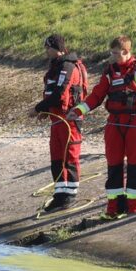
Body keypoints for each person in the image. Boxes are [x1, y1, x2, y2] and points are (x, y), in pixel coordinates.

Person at [68, 36, 136, 219]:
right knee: (114, 164)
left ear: (126, 51)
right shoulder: (110, 71)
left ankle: (133, 206)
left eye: (115, 53)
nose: (112, 57)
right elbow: (97, 95)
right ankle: (114, 206)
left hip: (135, 122)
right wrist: (79, 110)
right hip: (114, 123)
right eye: (111, 53)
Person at [31, 34, 89, 213]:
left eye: (48, 48)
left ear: (57, 48)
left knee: (70, 156)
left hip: (69, 119)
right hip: (56, 118)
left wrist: (38, 108)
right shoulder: (55, 67)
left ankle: (69, 195)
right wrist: (45, 111)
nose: (46, 51)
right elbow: (52, 95)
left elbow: (59, 93)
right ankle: (60, 194)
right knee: (56, 157)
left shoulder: (68, 66)